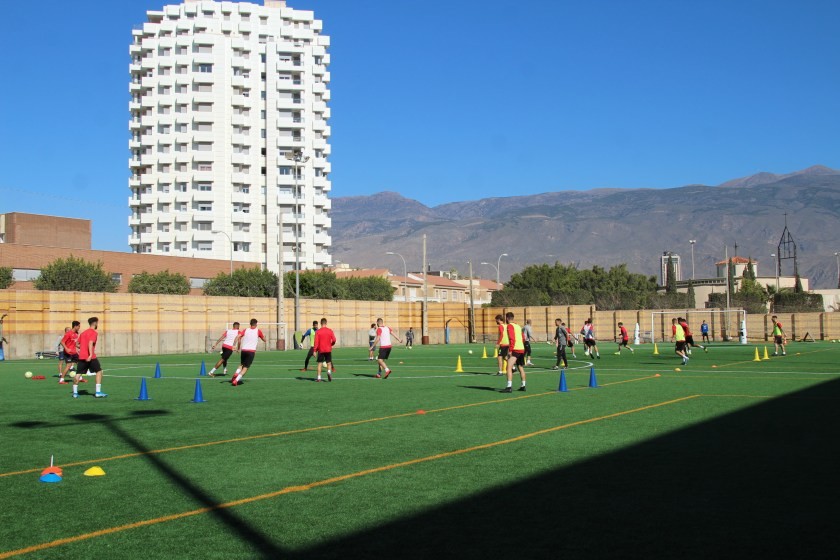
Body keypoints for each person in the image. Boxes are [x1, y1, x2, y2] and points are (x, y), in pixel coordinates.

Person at [72, 317, 107, 398]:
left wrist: (82, 348)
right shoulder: (94, 332)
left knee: (78, 373)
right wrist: (90, 355)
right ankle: (98, 392)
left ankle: (75, 393)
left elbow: (77, 344)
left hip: (82, 356)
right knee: (99, 371)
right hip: (90, 357)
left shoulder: (83, 333)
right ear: (95, 323)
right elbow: (90, 343)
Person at [231, 318, 266, 386]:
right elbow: (264, 340)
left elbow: (237, 336)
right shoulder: (258, 331)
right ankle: (236, 380)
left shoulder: (246, 330)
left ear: (250, 324)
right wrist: (263, 338)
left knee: (241, 364)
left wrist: (234, 345)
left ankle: (236, 373)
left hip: (244, 350)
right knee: (246, 367)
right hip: (251, 351)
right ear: (256, 324)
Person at [500, 312, 526, 393]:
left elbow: (512, 338)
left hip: (515, 349)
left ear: (507, 318)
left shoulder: (510, 326)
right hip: (521, 348)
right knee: (520, 367)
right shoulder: (518, 326)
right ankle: (523, 385)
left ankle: (509, 387)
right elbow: (523, 338)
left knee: (509, 367)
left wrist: (510, 350)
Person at [313, 317, 336, 382]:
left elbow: (316, 342)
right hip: (328, 349)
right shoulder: (330, 331)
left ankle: (319, 378)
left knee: (320, 364)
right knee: (329, 363)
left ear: (321, 323)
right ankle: (329, 372)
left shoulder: (318, 332)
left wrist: (314, 350)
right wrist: (331, 344)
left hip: (321, 350)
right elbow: (334, 340)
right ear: (326, 323)